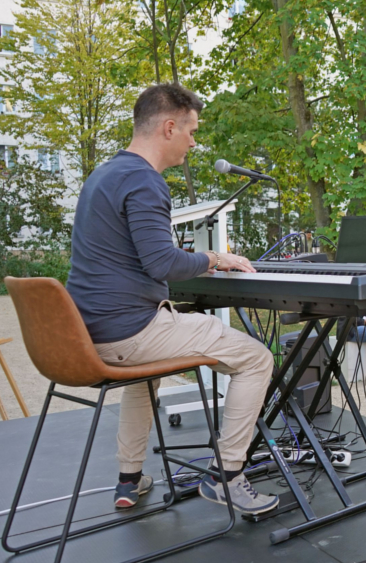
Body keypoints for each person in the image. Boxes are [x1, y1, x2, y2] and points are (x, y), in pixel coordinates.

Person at [64, 84, 278, 514]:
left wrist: (196, 262)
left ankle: (129, 479)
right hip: (128, 334)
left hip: (85, 334)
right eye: (191, 131)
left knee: (145, 377)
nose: (194, 142)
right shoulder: (144, 180)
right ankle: (228, 475)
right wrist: (216, 258)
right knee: (257, 359)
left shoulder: (103, 175)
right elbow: (161, 262)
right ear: (168, 127)